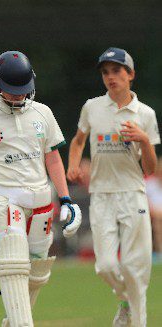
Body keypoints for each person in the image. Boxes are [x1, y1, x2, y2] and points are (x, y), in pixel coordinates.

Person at [0, 51, 82, 326]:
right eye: (10, 91)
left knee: (37, 270)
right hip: (3, 197)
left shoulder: (44, 114)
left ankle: (12, 319)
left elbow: (52, 157)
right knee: (14, 262)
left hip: (40, 197)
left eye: (21, 91)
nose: (17, 96)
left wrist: (66, 199)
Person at [67, 47, 159, 327]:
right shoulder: (92, 107)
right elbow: (78, 140)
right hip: (102, 195)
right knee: (105, 266)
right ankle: (125, 301)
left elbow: (151, 170)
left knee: (136, 268)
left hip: (133, 194)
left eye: (117, 70)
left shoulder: (145, 114)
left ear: (130, 74)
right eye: (106, 72)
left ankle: (137, 320)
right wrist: (73, 163)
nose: (111, 77)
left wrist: (143, 140)